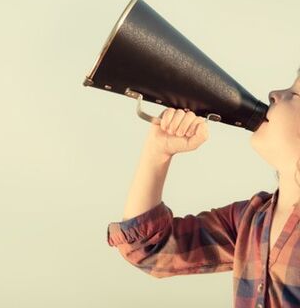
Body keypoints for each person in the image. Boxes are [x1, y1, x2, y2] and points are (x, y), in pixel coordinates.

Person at [107, 68, 300, 308]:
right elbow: (150, 250)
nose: (273, 93)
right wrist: (158, 152)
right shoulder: (249, 220)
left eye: (294, 93)